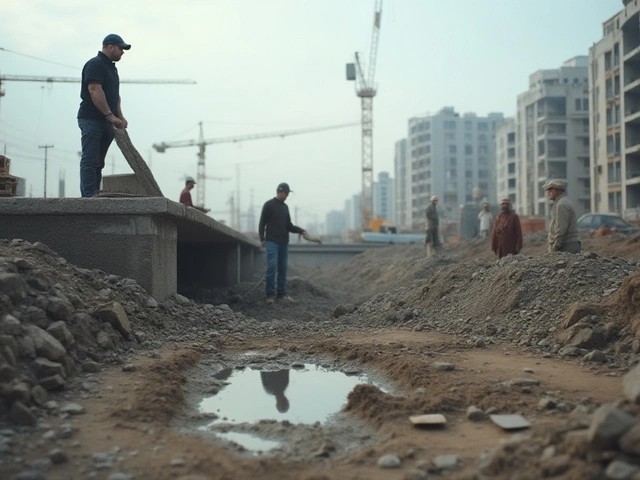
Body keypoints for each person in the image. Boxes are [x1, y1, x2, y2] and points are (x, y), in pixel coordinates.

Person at [78, 34, 131, 197]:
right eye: (120, 48)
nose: (123, 51)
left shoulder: (111, 68)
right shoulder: (95, 64)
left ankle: (95, 193)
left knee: (99, 162)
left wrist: (119, 116)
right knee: (90, 160)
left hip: (106, 121)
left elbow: (115, 95)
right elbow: (95, 90)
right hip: (92, 119)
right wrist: (109, 115)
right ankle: (89, 196)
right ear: (110, 47)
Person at [258, 182, 307, 304]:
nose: (287, 196)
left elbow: (288, 226)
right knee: (272, 266)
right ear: (280, 192)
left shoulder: (285, 208)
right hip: (271, 241)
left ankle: (281, 294)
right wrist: (261, 239)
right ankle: (270, 295)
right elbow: (262, 222)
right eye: (286, 193)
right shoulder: (268, 205)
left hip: (283, 242)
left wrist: (301, 231)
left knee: (283, 268)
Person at [544, 179, 580, 253]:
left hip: (567, 245)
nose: (548, 193)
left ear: (557, 190)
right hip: (567, 244)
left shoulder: (562, 204)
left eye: (550, 190)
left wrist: (555, 246)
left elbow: (561, 228)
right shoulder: (560, 202)